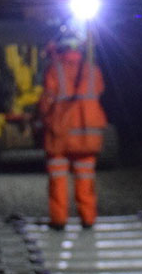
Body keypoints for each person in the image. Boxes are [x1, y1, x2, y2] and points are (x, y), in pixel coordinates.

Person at [37, 28, 108, 230]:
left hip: (60, 135)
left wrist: (41, 117)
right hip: (88, 136)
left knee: (58, 180)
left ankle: (59, 221)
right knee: (85, 179)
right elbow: (100, 92)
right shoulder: (94, 71)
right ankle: (88, 219)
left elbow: (47, 101)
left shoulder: (54, 69)